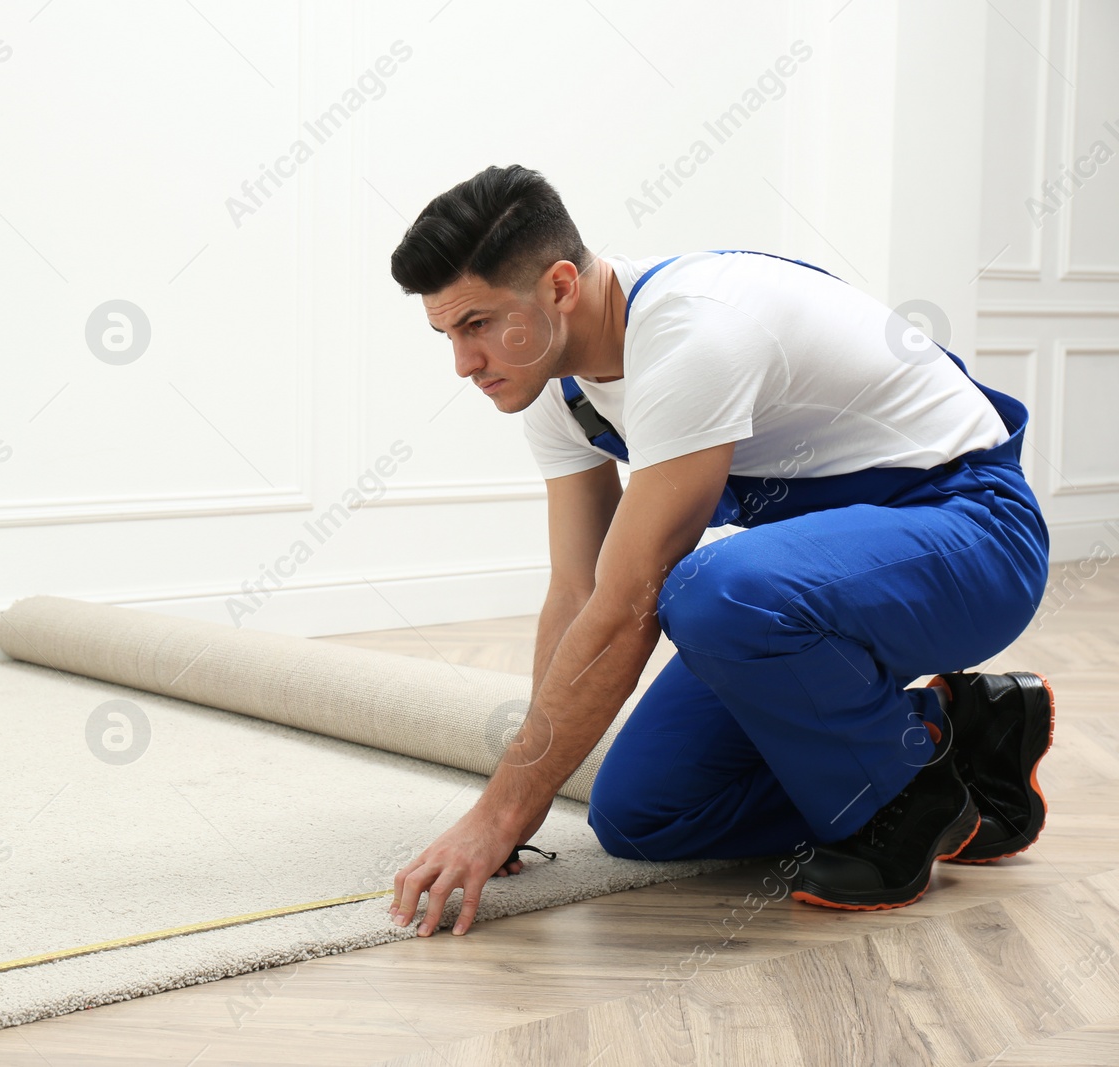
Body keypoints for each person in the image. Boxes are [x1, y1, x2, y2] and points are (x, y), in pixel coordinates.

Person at [385, 164, 1054, 933]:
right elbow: (576, 593)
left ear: (560, 287)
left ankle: (903, 808)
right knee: (644, 813)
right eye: (447, 334)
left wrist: (497, 816)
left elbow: (629, 603)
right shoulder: (558, 388)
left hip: (973, 538)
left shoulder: (694, 333)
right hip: (828, 584)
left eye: (477, 324)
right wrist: (520, 804)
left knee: (710, 588)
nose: (464, 363)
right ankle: (951, 736)